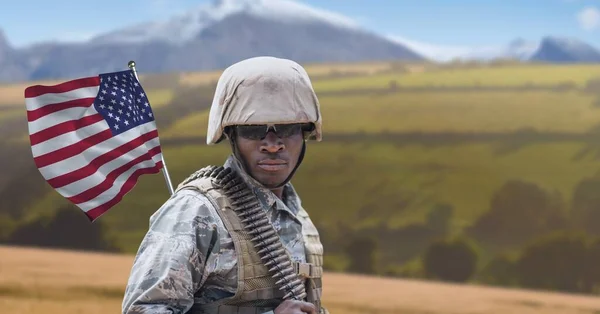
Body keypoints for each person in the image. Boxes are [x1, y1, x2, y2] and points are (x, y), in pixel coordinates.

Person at [122, 56, 328, 314]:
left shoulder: (297, 215)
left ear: (305, 133)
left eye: (288, 129)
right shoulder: (197, 212)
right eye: (253, 130)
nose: (272, 144)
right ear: (231, 135)